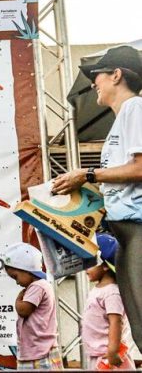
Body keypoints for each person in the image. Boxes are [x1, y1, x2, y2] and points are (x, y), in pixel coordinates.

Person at [51, 45, 142, 351]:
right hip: (122, 230)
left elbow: (141, 168)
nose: (93, 84)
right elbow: (119, 181)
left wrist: (87, 175)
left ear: (116, 75)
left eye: (98, 76)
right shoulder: (122, 119)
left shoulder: (135, 108)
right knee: (138, 321)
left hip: (138, 227)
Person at [3, 242, 62, 370]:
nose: (17, 282)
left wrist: (18, 300)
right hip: (35, 352)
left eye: (15, 277)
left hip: (40, 354)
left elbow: (23, 310)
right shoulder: (39, 285)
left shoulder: (38, 286)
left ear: (26, 269)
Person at [81, 234, 135, 370]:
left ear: (105, 266)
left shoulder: (112, 292)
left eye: (90, 261)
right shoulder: (99, 289)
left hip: (109, 358)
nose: (85, 266)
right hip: (98, 355)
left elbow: (116, 321)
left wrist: (113, 351)